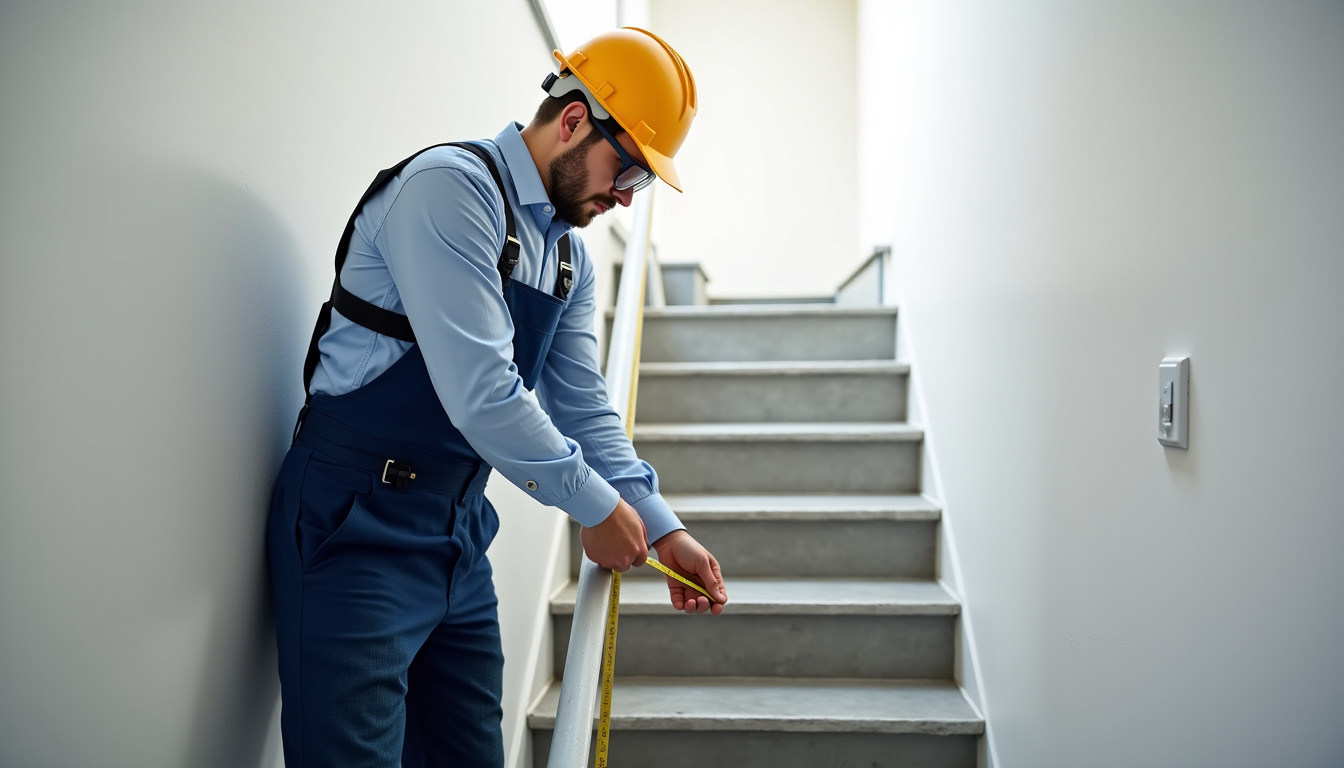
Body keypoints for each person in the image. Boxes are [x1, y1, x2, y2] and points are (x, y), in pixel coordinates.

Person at [265, 26, 728, 768]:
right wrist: (594, 506)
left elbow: (582, 408)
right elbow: (483, 395)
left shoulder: (570, 257)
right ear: (573, 119)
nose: (623, 198)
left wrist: (656, 521)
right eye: (628, 172)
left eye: (639, 182)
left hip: (458, 533)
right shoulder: (450, 190)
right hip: (354, 526)